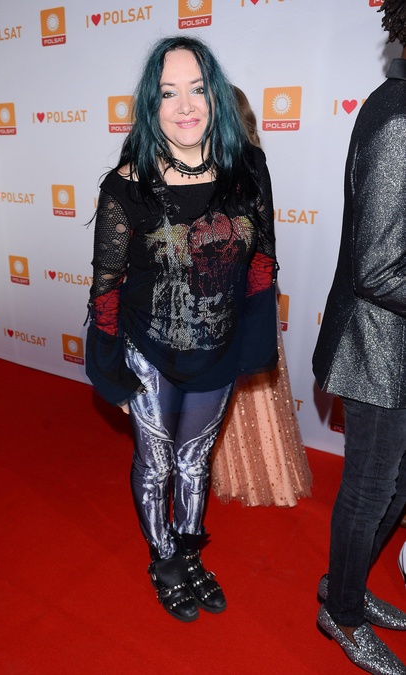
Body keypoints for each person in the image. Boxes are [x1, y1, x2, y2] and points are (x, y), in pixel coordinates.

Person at [85, 36, 278, 623]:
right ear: (152, 104)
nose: (186, 105)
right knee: (157, 464)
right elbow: (106, 288)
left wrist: (252, 346)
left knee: (194, 462)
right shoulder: (125, 186)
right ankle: (163, 560)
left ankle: (189, 551)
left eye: (197, 89)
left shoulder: (248, 170)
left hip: (216, 351)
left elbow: (262, 262)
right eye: (169, 93)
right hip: (148, 351)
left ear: (215, 96)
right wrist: (110, 371)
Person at [313, 1, 406, 672]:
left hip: (397, 341)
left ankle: (343, 585)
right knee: (372, 486)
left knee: (397, 483)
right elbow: (378, 267)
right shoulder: (398, 118)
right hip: (375, 346)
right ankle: (341, 613)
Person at [211, 86, 312, 508]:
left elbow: (260, 232)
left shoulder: (245, 162)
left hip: (237, 287)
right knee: (236, 382)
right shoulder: (240, 160)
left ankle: (250, 472)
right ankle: (250, 470)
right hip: (237, 285)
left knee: (244, 378)